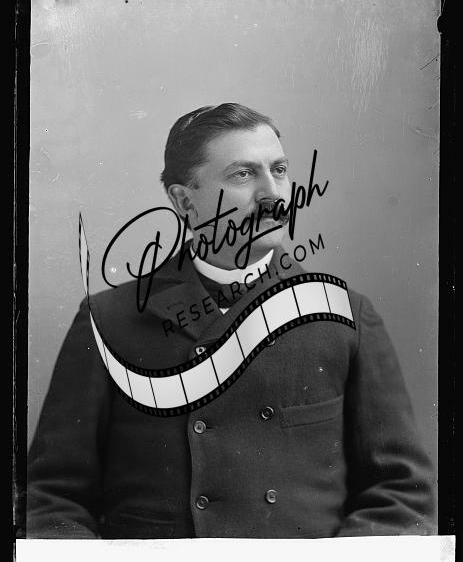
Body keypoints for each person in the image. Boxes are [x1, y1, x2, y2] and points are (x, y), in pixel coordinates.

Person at [26, 103, 436, 539]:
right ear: (185, 201)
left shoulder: (345, 316)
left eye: (279, 171)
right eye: (243, 174)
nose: (273, 195)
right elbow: (52, 499)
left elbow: (401, 497)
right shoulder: (109, 320)